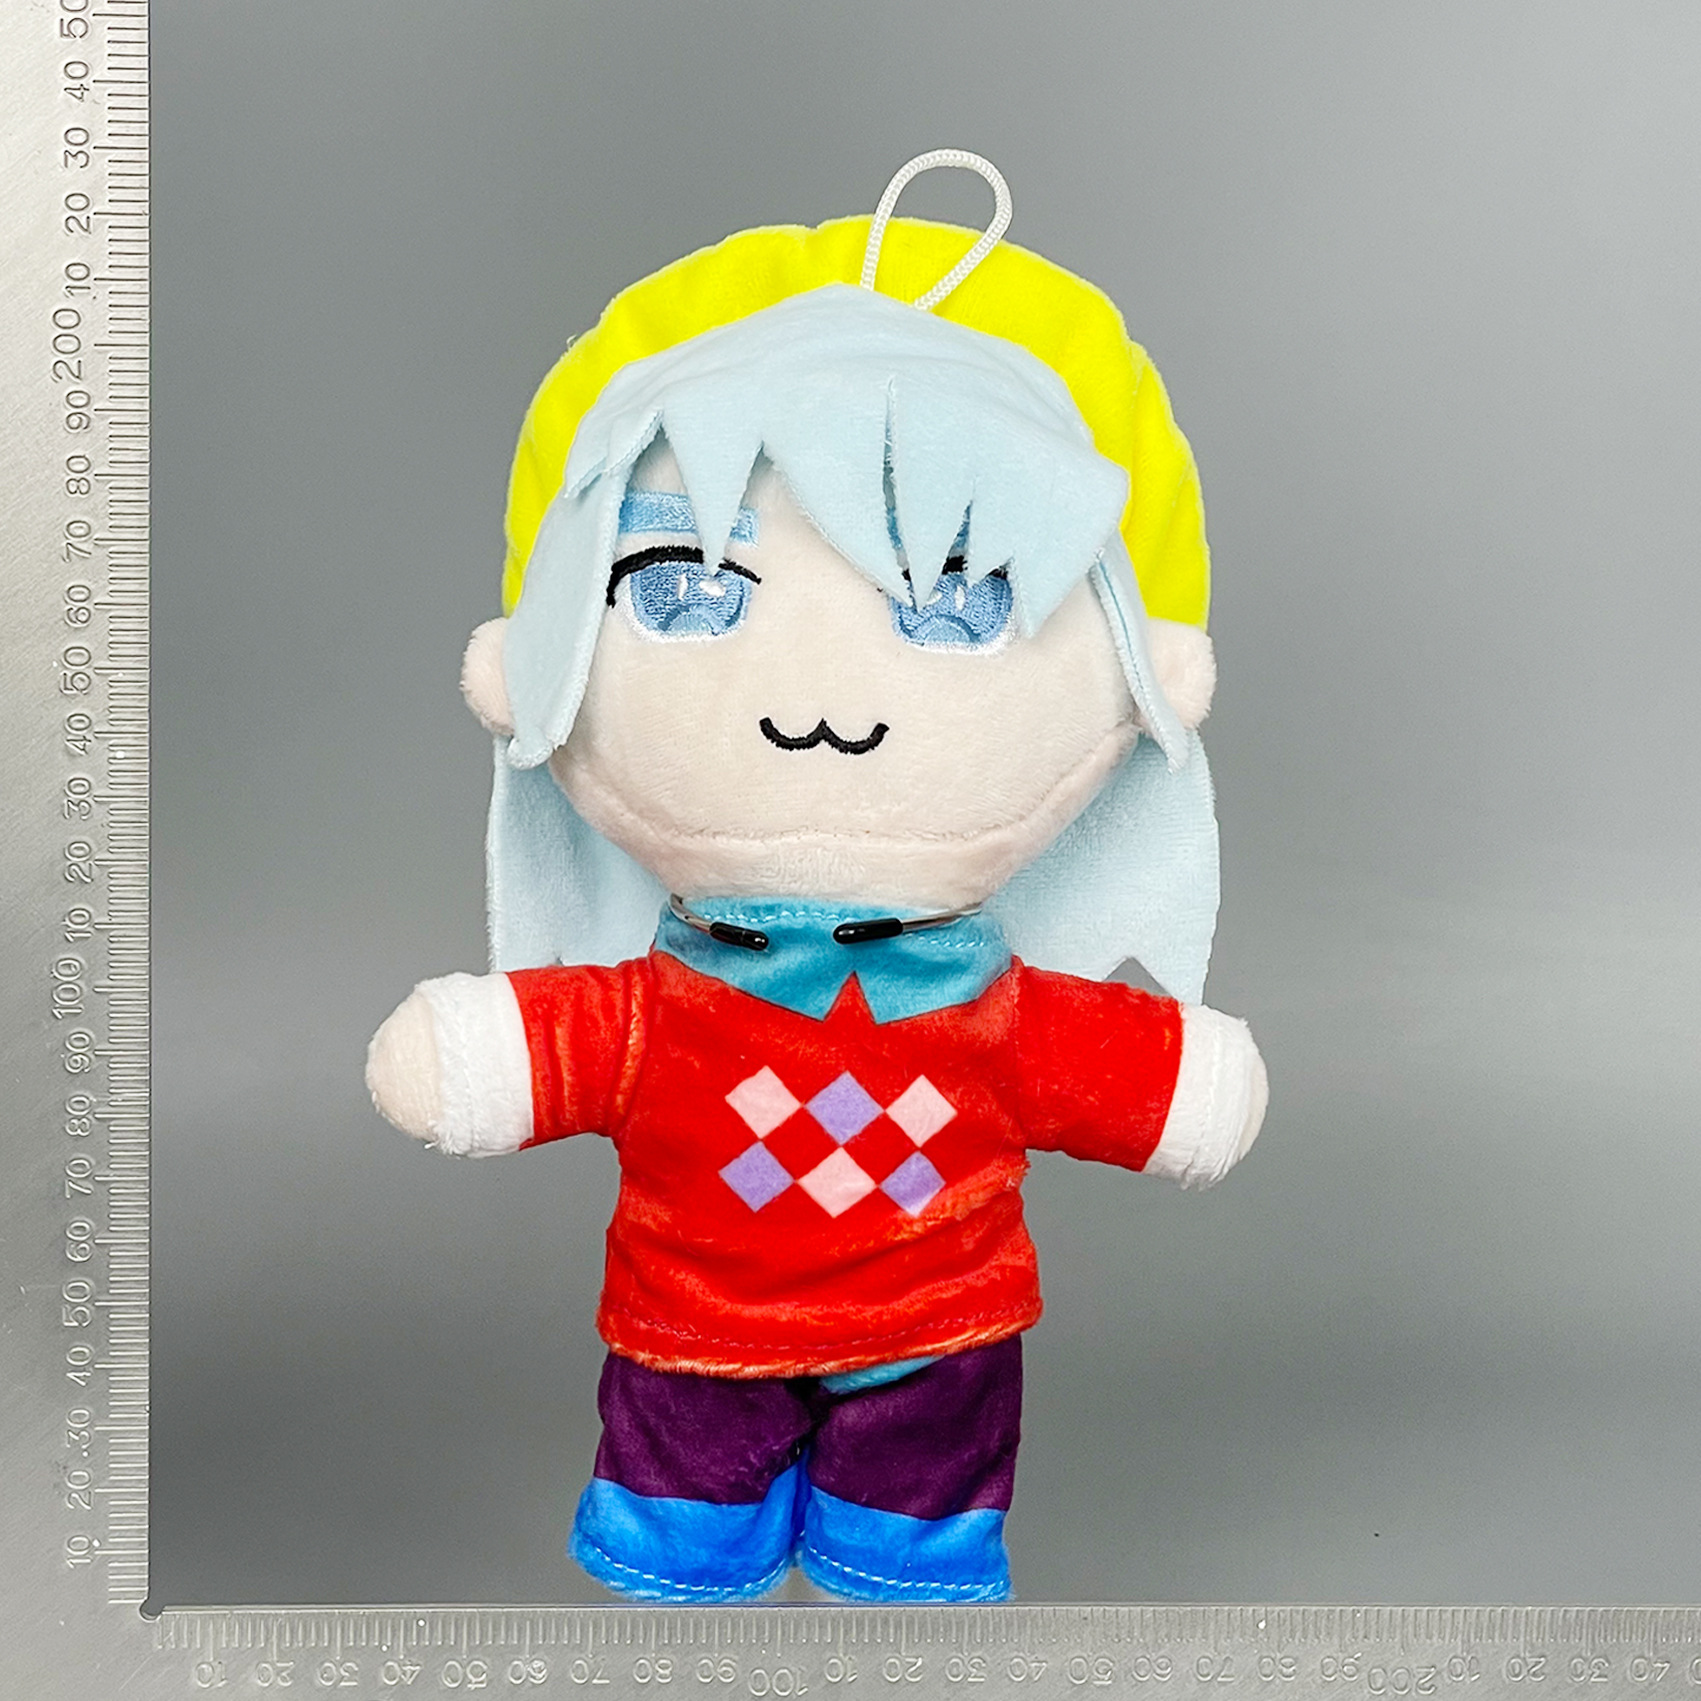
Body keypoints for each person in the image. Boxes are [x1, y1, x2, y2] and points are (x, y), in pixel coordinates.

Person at [366, 156, 1266, 1603]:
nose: (821, 707)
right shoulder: (675, 1000)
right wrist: (478, 1056)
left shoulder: (982, 1004)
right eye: (683, 593)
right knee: (684, 1558)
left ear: (1145, 680)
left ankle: (880, 1579)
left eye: (957, 606)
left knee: (904, 1564)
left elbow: (1104, 1067)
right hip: (689, 1339)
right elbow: (568, 1041)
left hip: (937, 1343)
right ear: (523, 671)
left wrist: (1183, 1084)